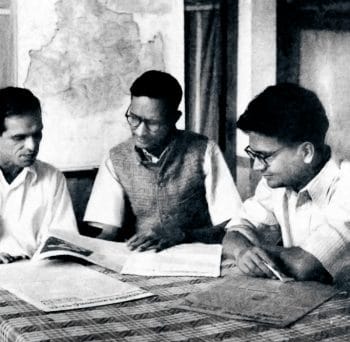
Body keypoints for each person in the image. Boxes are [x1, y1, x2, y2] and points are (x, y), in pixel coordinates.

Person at [84, 70, 242, 251]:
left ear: (175, 118)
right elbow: (107, 230)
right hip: (141, 259)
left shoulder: (204, 150)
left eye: (153, 123)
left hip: (198, 256)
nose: (140, 131)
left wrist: (184, 235)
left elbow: (231, 227)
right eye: (134, 118)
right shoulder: (115, 158)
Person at [223, 83, 350, 284]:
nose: (257, 166)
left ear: (306, 152)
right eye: (254, 154)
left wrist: (256, 252)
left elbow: (306, 265)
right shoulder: (277, 182)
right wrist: (243, 251)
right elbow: (235, 232)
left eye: (265, 156)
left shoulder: (346, 184)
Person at [0, 87, 78, 263]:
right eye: (19, 137)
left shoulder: (52, 178)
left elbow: (64, 241)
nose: (31, 146)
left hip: (36, 275)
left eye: (37, 135)